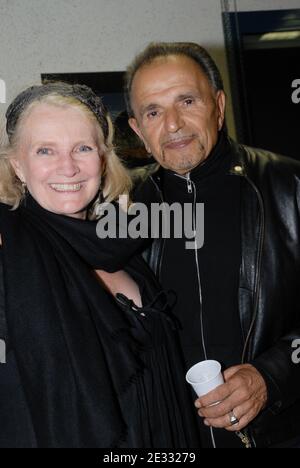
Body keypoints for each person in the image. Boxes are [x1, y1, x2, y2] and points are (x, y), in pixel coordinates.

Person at [0, 82, 199, 448]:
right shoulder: (10, 252)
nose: (68, 167)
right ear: (17, 165)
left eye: (83, 148)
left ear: (104, 159)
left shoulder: (122, 245)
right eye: (45, 150)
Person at [124, 42, 300, 448]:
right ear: (137, 129)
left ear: (218, 106)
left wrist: (271, 375)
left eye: (187, 100)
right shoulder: (118, 208)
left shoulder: (289, 187)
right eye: (153, 111)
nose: (172, 124)